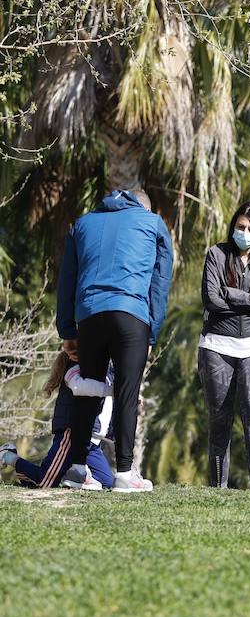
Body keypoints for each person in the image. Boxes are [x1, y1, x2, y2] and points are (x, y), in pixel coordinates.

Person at [55, 187, 173, 493]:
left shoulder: (82, 223)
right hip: (131, 315)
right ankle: (124, 472)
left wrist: (67, 331)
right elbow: (160, 283)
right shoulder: (153, 223)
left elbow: (66, 281)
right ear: (143, 208)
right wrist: (153, 331)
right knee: (126, 392)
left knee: (89, 389)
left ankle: (78, 469)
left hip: (90, 317)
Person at [199, 201, 250, 490]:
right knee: (219, 419)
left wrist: (234, 295)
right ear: (233, 226)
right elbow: (212, 300)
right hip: (217, 345)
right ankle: (217, 487)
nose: (245, 232)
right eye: (240, 227)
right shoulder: (216, 254)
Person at [0, 351, 115, 490]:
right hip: (72, 434)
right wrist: (115, 390)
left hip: (92, 442)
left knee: (106, 483)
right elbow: (83, 389)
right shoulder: (83, 363)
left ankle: (69, 473)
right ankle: (7, 455)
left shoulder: (108, 367)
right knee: (45, 482)